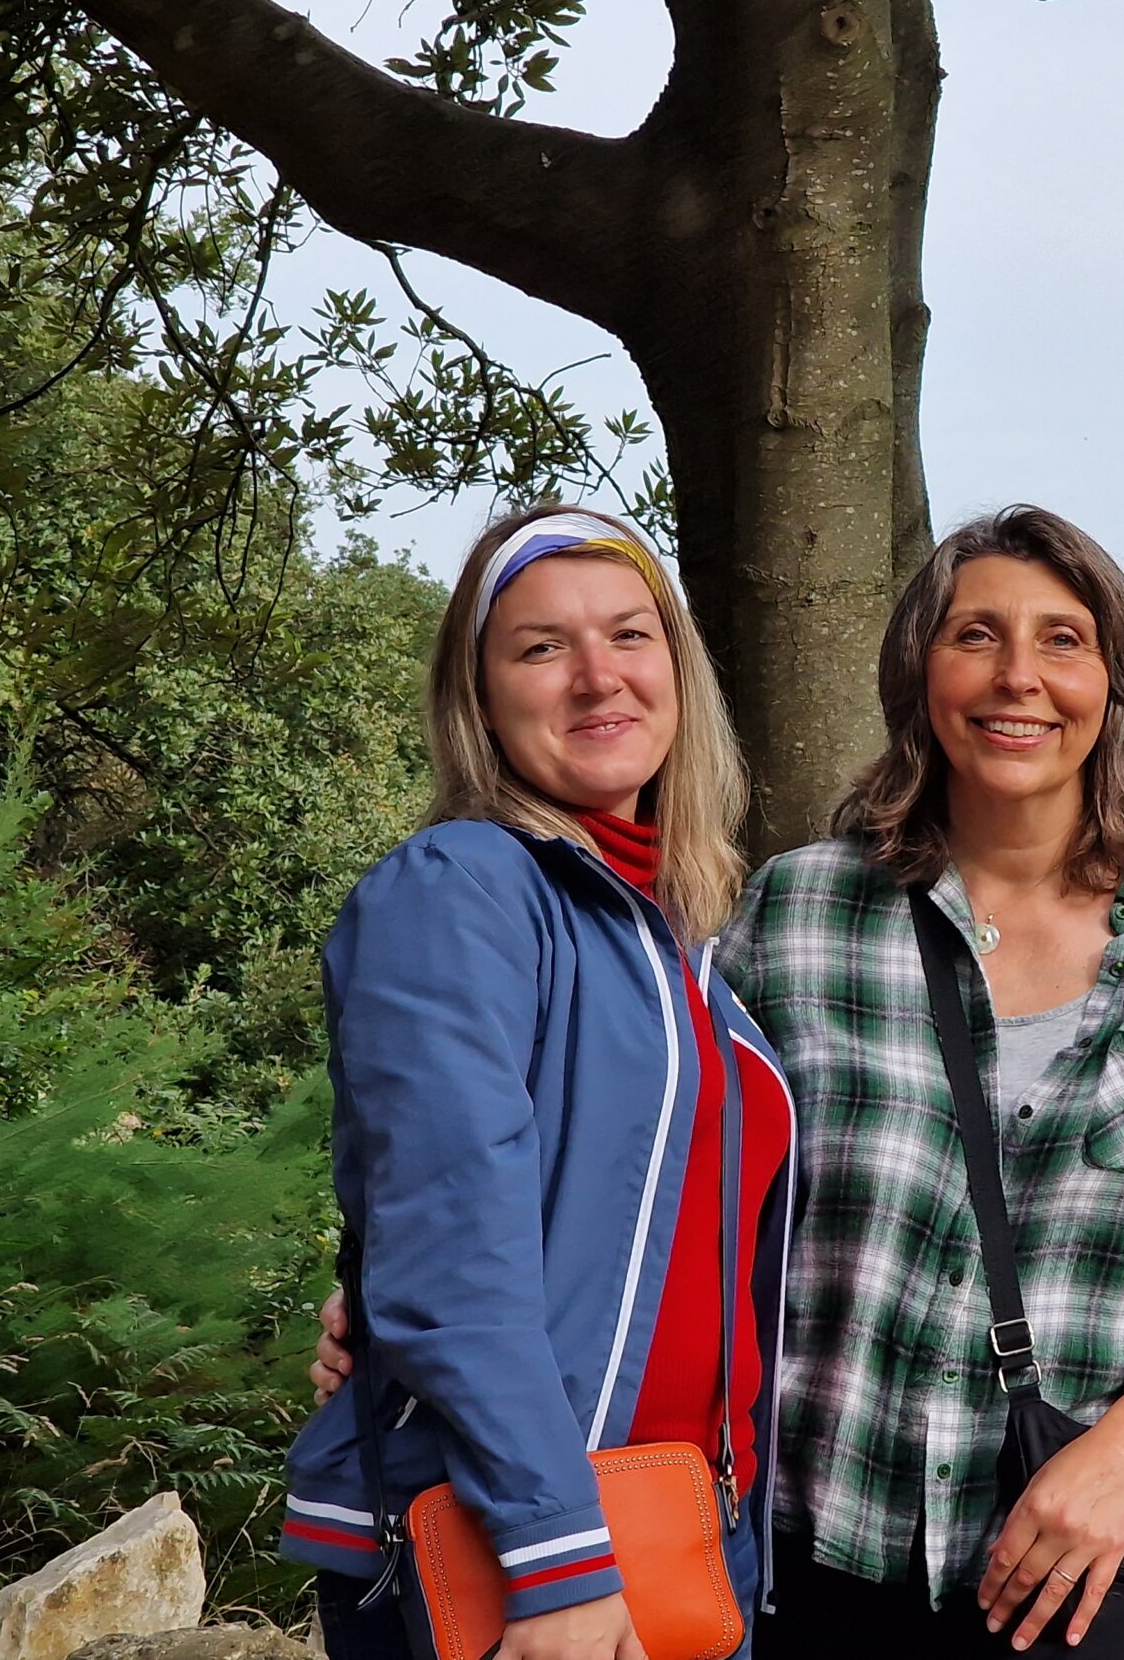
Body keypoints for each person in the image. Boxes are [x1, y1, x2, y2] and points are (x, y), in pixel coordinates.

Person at [317, 504, 1124, 1652]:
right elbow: (663, 1151)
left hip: (1103, 1568)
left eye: (1063, 640)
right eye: (976, 635)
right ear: (919, 673)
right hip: (826, 1563)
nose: (1018, 677)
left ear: (1115, 681)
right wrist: (403, 1300)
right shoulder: (798, 913)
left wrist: (1117, 1459)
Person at [284, 507, 795, 1660]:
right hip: (533, 1552)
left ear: (677, 667)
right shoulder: (461, 887)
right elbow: (449, 1251)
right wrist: (553, 1553)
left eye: (629, 634)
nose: (597, 676)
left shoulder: (669, 932)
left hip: (686, 1526)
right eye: (541, 647)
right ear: (480, 696)